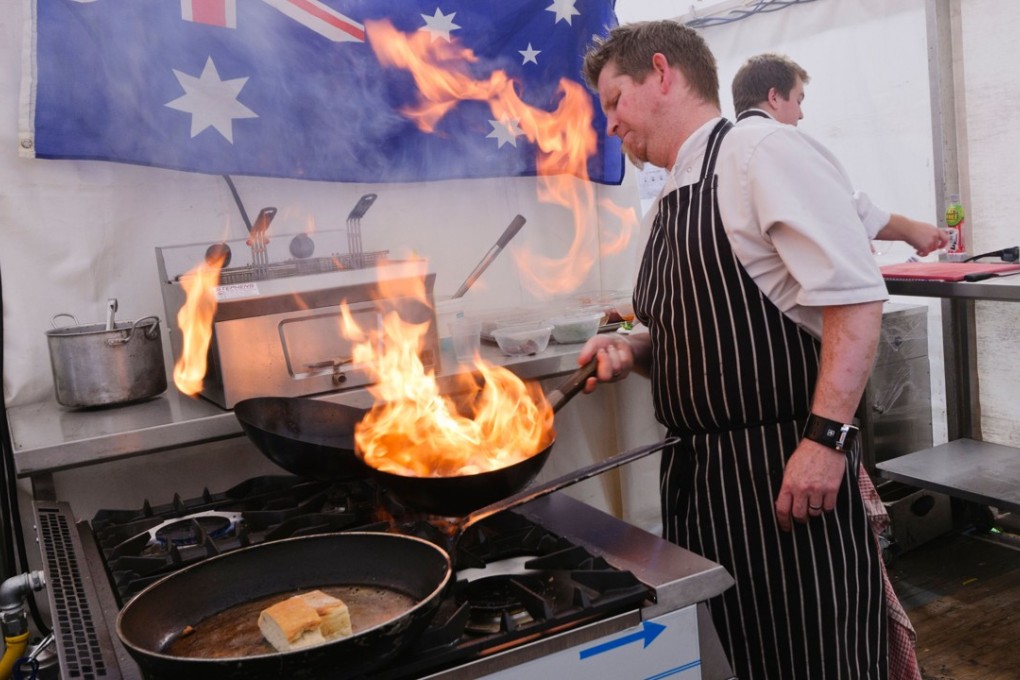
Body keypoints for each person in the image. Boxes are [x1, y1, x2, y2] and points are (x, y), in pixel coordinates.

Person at [580, 21, 919, 679]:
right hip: (700, 485)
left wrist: (825, 442)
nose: (610, 123)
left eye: (616, 100)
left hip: (784, 477)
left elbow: (855, 299)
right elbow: (694, 333)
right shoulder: (667, 202)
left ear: (662, 73)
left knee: (814, 659)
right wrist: (635, 350)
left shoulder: (760, 153)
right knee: (738, 659)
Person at [732, 52, 949, 257]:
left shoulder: (726, 147)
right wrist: (910, 229)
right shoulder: (780, 140)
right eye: (798, 101)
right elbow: (843, 208)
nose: (801, 114)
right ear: (774, 97)